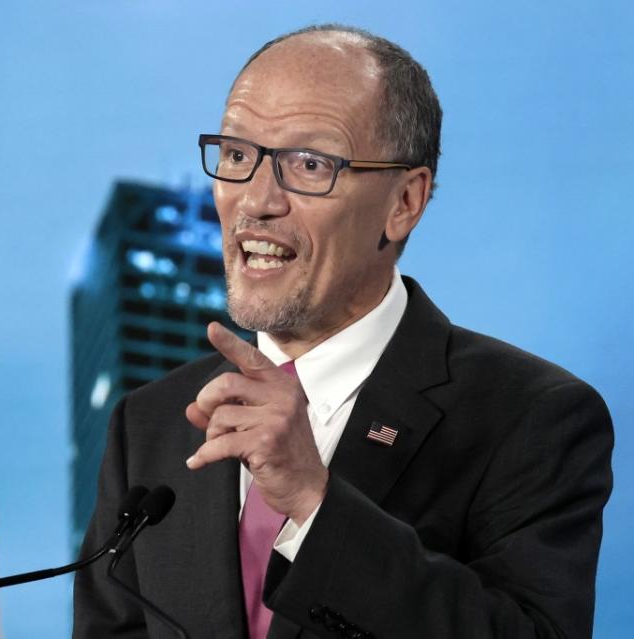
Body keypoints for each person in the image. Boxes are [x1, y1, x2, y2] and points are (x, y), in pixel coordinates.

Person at [73, 24, 613, 639]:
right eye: (238, 155)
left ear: (404, 202)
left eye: (309, 164)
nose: (255, 201)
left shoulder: (533, 418)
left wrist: (314, 502)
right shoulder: (151, 422)